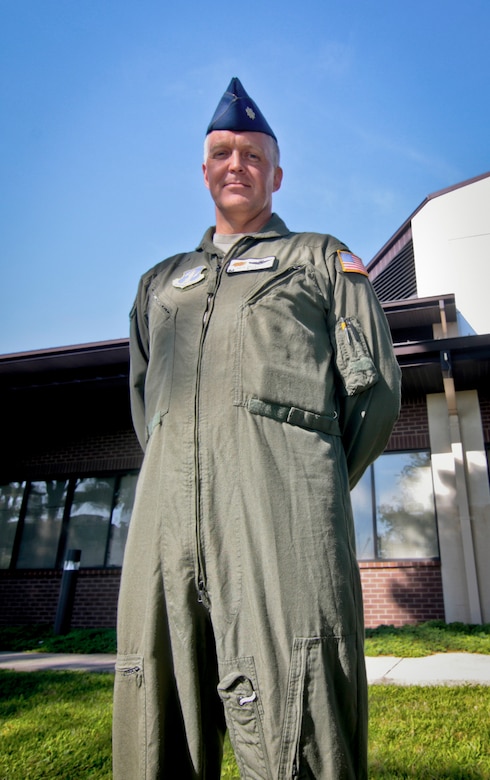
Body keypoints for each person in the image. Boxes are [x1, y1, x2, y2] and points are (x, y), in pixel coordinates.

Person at [113, 77, 401, 779]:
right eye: (220, 152)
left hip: (280, 518)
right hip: (167, 525)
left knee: (298, 711)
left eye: (251, 153)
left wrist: (298, 476)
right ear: (204, 168)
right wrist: (187, 470)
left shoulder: (320, 261)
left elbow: (375, 395)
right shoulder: (160, 282)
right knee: (156, 703)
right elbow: (144, 399)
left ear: (277, 172)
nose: (234, 163)